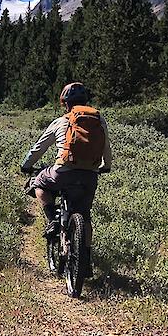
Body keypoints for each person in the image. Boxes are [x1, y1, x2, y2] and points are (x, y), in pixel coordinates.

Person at [20, 82, 113, 237]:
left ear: (65, 103)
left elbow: (40, 147)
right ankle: (85, 252)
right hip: (90, 176)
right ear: (85, 102)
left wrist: (26, 165)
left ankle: (52, 220)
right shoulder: (99, 120)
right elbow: (106, 146)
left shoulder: (61, 121)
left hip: (63, 172)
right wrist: (106, 166)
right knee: (85, 215)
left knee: (39, 183)